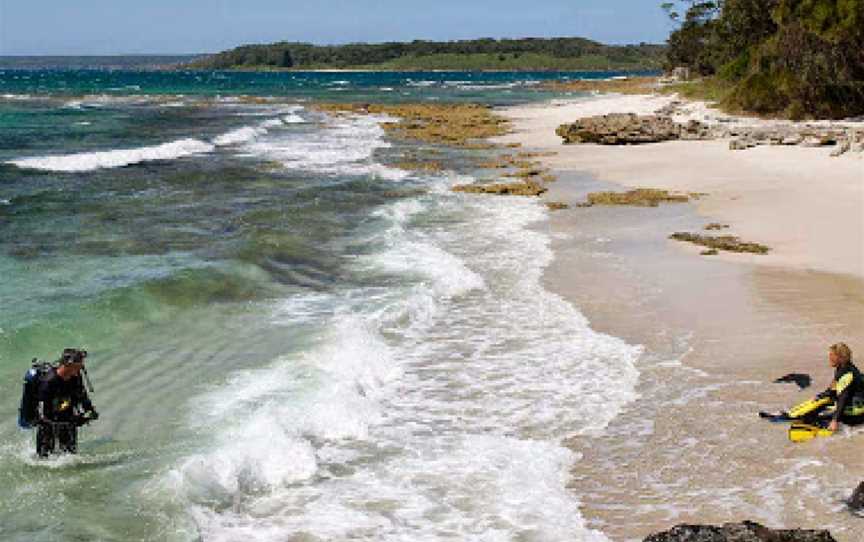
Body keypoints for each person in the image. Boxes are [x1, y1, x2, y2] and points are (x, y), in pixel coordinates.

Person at [36, 348, 99, 456]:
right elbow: (44, 410)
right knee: (43, 458)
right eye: (79, 365)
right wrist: (75, 419)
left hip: (68, 419)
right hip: (48, 423)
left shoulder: (76, 376)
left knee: (70, 456)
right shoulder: (49, 381)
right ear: (69, 365)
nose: (81, 367)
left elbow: (81, 394)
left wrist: (89, 410)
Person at [816, 343, 864, 432]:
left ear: (841, 357)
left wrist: (834, 421)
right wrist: (821, 396)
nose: (829, 357)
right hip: (853, 407)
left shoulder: (847, 374)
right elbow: (833, 387)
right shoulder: (842, 369)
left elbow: (843, 398)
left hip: (855, 415)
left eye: (832, 355)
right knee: (821, 408)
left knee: (818, 419)